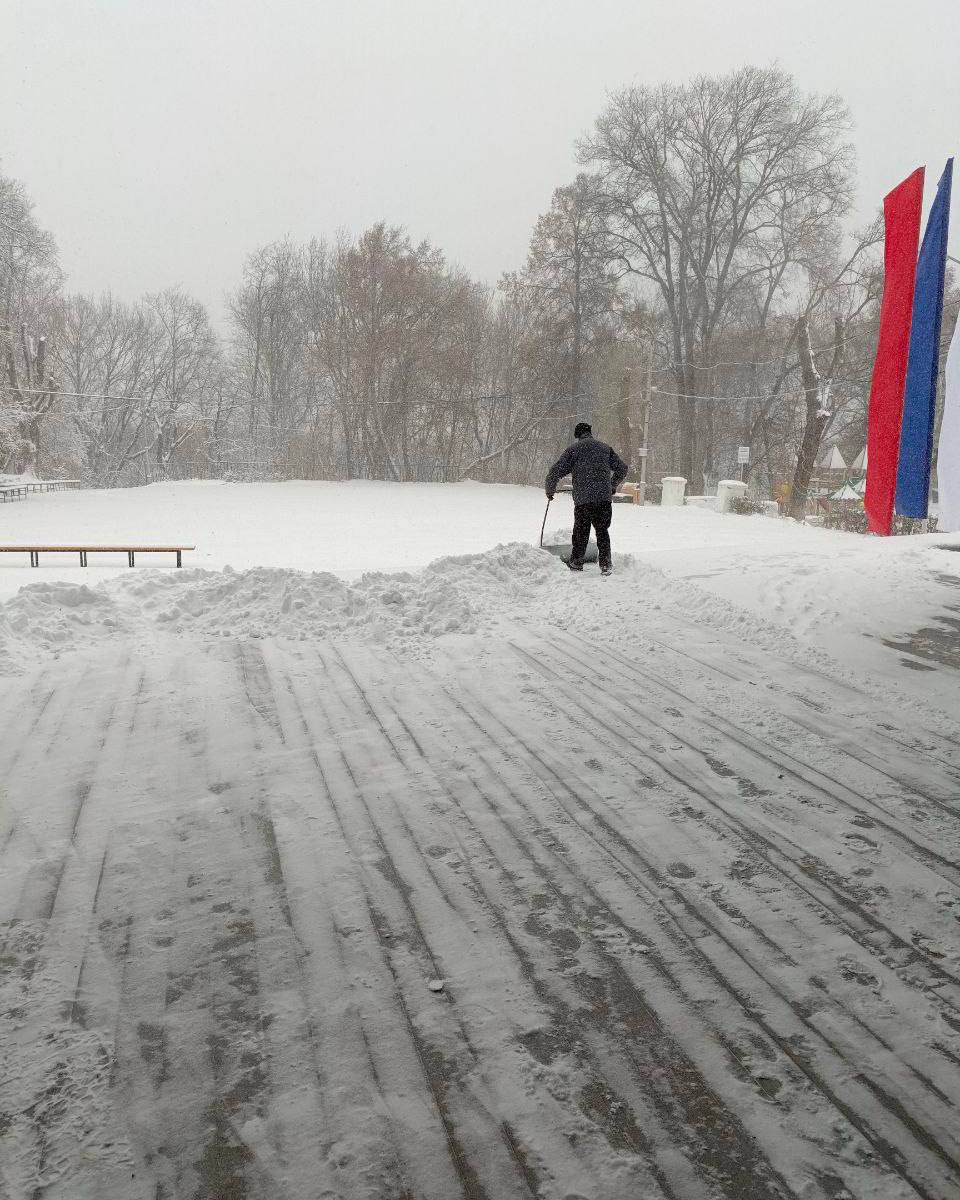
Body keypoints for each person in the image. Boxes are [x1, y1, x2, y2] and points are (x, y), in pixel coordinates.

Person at [545, 422, 629, 575]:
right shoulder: (605, 448)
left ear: (577, 435)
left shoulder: (574, 450)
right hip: (603, 500)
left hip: (584, 500)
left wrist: (550, 489)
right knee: (602, 531)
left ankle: (577, 562)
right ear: (590, 432)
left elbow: (556, 471)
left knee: (581, 532)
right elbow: (622, 469)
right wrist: (611, 485)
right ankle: (605, 565)